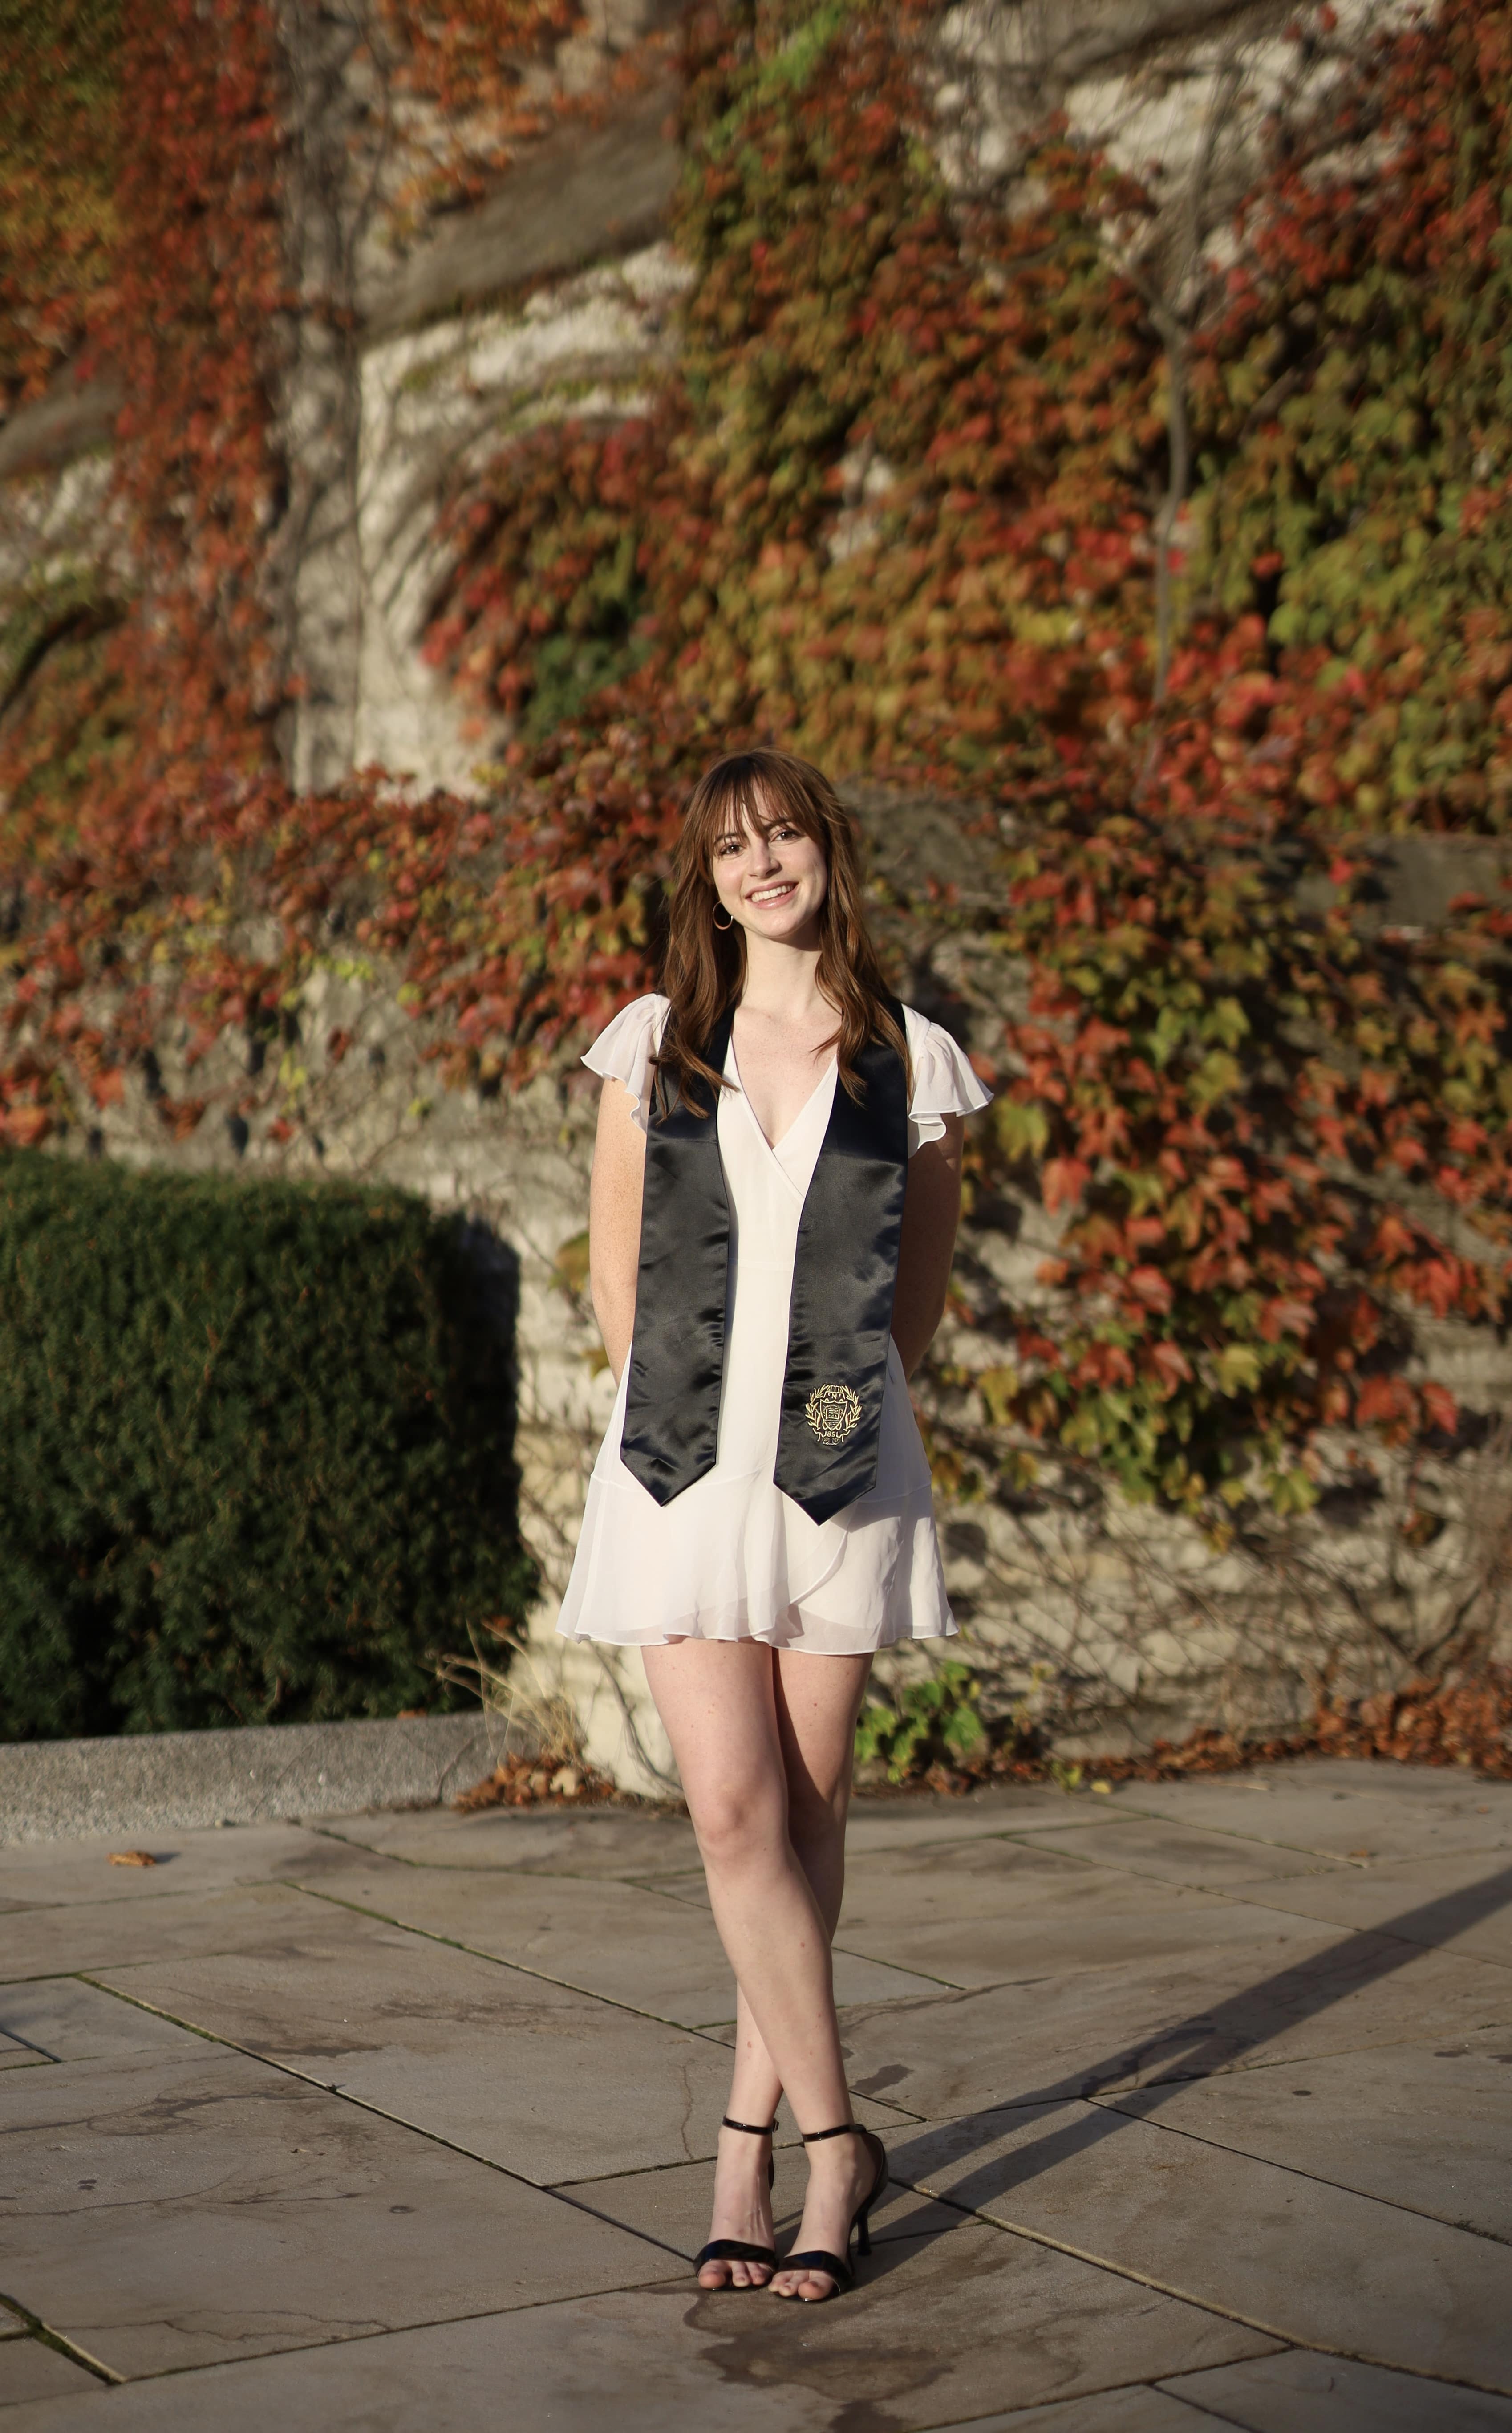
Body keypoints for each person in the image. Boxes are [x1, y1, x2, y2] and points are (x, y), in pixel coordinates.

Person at [557, 747, 991, 2302]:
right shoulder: (656, 1046)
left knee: (807, 1826)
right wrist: (691, 1424)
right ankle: (840, 2145)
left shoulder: (911, 1061)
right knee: (732, 1813)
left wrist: (833, 1429)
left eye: (786, 834)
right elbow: (617, 1284)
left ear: (827, 854)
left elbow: (917, 1300)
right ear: (708, 879)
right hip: (677, 1467)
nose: (762, 865)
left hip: (835, 1467)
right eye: (732, 846)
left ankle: (743, 2155)